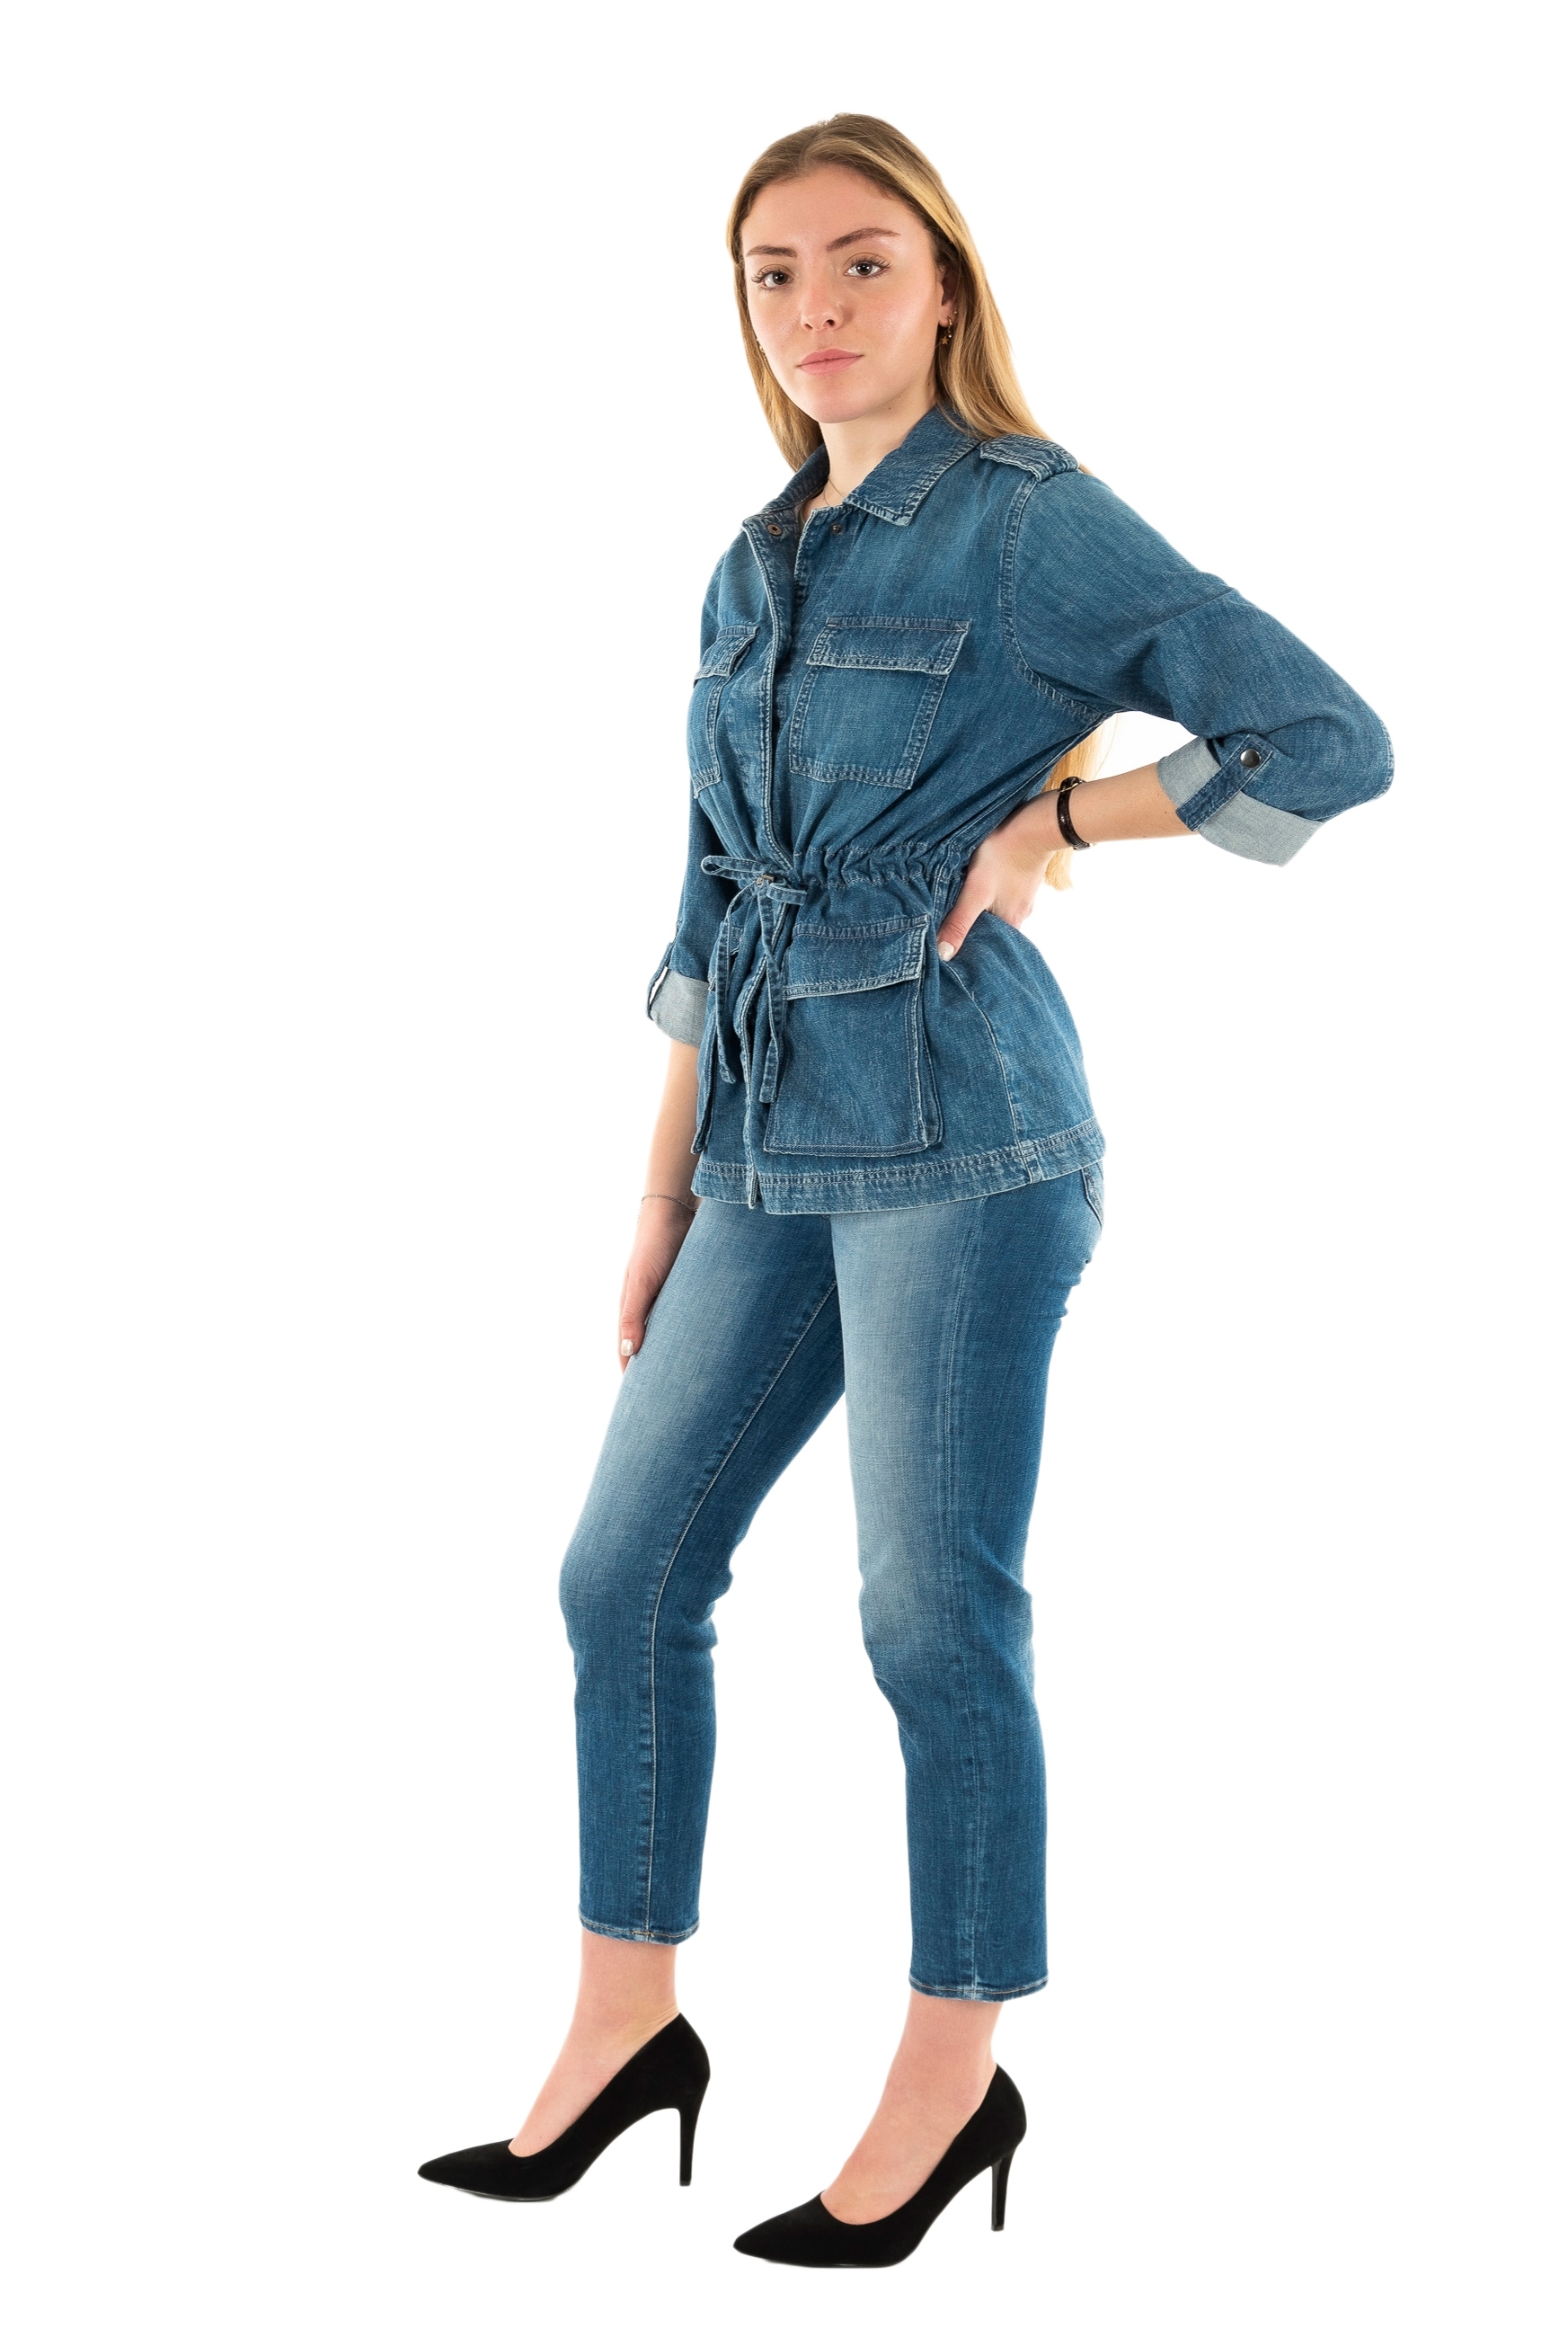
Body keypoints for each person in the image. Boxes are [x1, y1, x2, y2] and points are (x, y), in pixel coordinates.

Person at [418, 113, 1392, 2268]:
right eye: (774, 273)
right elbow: (708, 891)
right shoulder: (751, 561)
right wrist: (663, 1189)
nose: (819, 309)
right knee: (620, 1570)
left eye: (864, 261)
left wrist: (1066, 817)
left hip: (968, 1131)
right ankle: (624, 2027)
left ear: (945, 281)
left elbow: (1329, 737)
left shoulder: (1032, 521)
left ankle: (955, 2074)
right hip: (764, 1137)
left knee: (930, 1613)